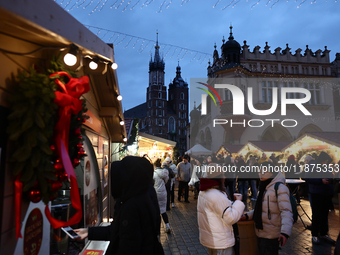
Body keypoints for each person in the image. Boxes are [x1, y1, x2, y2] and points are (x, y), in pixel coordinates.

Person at [74, 156, 164, 254]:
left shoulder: (131, 206)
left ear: (127, 178)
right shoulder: (142, 196)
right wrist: (88, 232)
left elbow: (128, 246)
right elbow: (118, 230)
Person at [242, 161, 293, 255]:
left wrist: (285, 232)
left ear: (272, 172)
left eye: (264, 172)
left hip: (272, 234)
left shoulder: (280, 188)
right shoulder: (263, 187)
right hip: (259, 232)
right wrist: (247, 216)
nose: (260, 174)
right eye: (259, 171)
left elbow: (286, 211)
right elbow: (260, 209)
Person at [197, 162, 245, 255]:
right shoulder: (216, 194)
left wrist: (230, 204)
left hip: (213, 239)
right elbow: (230, 218)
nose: (225, 177)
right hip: (221, 241)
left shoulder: (203, 192)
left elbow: (219, 210)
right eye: (223, 175)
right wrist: (238, 202)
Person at [305, 151, 336, 245]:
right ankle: (315, 235)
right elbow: (306, 178)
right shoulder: (312, 166)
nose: (326, 162)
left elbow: (330, 177)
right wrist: (320, 181)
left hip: (325, 193)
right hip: (316, 193)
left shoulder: (327, 167)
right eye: (325, 161)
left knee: (324, 215)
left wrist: (332, 179)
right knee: (316, 215)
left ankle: (324, 233)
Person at [154, 158, 171, 233]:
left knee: (156, 211)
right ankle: (167, 226)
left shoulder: (153, 173)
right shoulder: (164, 172)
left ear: (154, 165)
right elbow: (166, 181)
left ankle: (157, 230)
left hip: (156, 193)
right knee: (163, 211)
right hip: (163, 192)